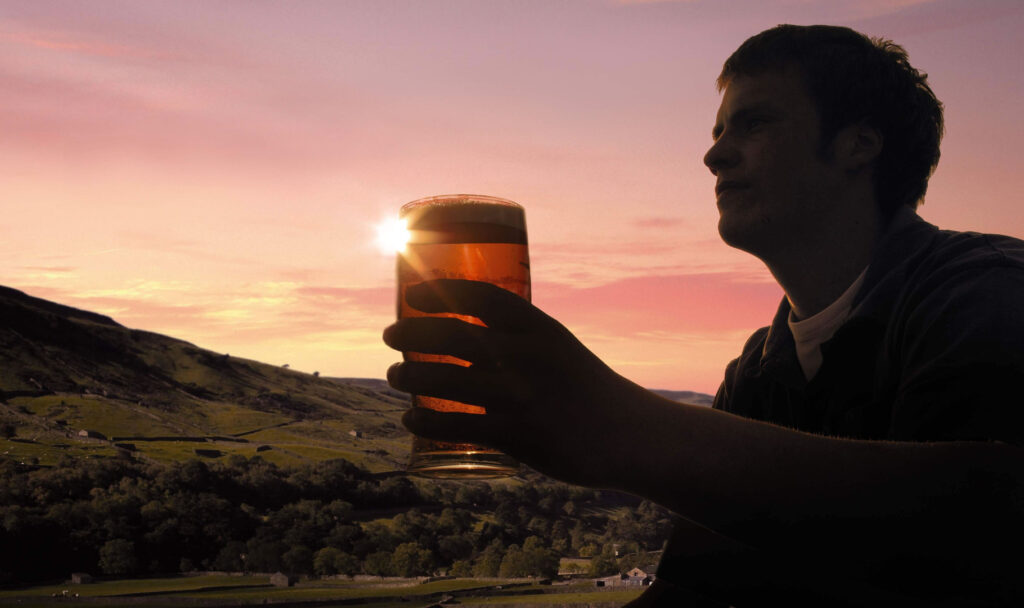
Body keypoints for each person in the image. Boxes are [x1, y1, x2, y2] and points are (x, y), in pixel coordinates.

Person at [383, 24, 1024, 606]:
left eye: (753, 125)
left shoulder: (983, 293)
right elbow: (695, 591)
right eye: (719, 132)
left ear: (858, 145)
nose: (714, 156)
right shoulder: (758, 370)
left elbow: (987, 528)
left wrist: (622, 429)